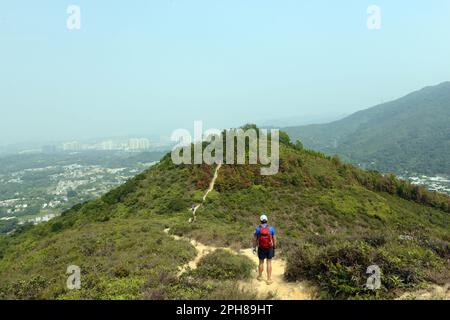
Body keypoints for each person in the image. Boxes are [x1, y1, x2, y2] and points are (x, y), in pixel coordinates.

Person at [253, 214, 276, 285]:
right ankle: (268, 279)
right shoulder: (271, 228)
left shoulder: (257, 229)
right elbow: (274, 239)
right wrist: (274, 246)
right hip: (269, 248)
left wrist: (254, 247)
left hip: (261, 248)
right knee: (269, 262)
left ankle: (260, 277)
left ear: (260, 221)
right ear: (267, 220)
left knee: (261, 262)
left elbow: (255, 239)